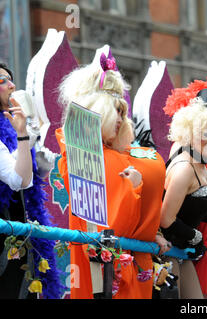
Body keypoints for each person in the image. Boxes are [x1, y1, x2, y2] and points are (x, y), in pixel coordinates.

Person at [56, 57, 169, 299]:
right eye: (114, 112)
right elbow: (117, 225)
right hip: (110, 264)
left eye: (121, 112)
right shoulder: (100, 158)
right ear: (98, 113)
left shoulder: (93, 155)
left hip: (119, 260)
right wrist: (134, 188)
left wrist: (151, 231)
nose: (120, 119)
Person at [160, 88, 207, 298]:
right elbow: (166, 219)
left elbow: (189, 206)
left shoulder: (200, 164)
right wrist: (195, 236)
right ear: (190, 133)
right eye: (206, 134)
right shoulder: (185, 168)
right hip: (166, 252)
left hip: (183, 252)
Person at [1, 63, 63, 299]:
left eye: (10, 79)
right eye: (2, 80)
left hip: (19, 235)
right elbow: (19, 180)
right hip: (6, 236)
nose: (12, 85)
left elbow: (32, 177)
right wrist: (23, 136)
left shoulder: (12, 124)